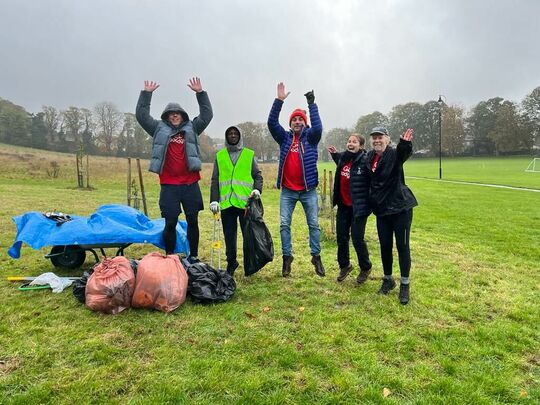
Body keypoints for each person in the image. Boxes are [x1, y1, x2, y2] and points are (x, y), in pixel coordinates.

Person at [135, 78, 213, 262]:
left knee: (193, 220)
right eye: (171, 114)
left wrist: (200, 93)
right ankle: (170, 257)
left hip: (190, 183)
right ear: (167, 116)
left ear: (183, 115)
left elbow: (207, 115)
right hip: (169, 185)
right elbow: (141, 116)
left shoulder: (192, 127)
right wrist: (146, 94)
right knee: (170, 222)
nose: (175, 116)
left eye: (178, 113)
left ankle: (193, 256)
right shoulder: (158, 128)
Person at [267, 82, 325, 277]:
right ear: (290, 123)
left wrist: (311, 104)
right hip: (288, 191)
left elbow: (318, 126)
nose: (297, 122)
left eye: (301, 119)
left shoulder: (311, 138)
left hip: (308, 191)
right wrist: (279, 101)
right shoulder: (284, 138)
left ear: (304, 122)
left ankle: (316, 257)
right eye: (294, 120)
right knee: (284, 225)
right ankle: (287, 258)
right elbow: (271, 124)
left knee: (314, 225)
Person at [364, 126, 417, 304]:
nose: (377, 140)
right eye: (374, 138)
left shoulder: (394, 154)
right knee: (385, 246)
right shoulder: (369, 157)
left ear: (387, 139)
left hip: (400, 208)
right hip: (382, 210)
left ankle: (405, 284)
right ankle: (388, 280)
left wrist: (405, 143)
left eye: (380, 137)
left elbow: (403, 153)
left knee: (402, 246)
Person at [209, 125, 263, 275]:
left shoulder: (249, 154)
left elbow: (258, 175)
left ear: (240, 137)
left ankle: (250, 264)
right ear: (226, 137)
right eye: (230, 133)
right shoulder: (220, 156)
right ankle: (231, 263)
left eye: (235, 133)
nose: (232, 135)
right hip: (227, 204)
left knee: (248, 236)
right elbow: (215, 179)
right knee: (229, 236)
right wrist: (214, 200)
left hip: (245, 203)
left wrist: (257, 190)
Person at [328, 134, 372, 283]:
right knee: (341, 237)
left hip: (359, 207)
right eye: (349, 141)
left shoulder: (365, 161)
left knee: (357, 238)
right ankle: (345, 266)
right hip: (343, 206)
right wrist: (334, 154)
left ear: (361, 146)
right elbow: (340, 163)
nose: (350, 144)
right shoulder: (343, 158)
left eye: (354, 142)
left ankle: (365, 268)